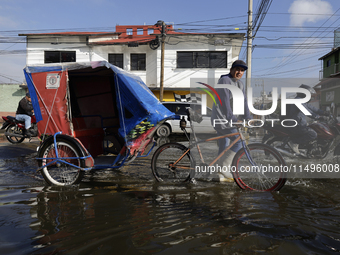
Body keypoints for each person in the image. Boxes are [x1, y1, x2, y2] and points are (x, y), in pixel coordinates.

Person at [211, 60, 252, 181]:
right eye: (237, 69)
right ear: (231, 70)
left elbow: (243, 102)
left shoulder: (240, 85)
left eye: (242, 70)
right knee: (238, 142)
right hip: (221, 119)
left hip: (228, 120)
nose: (239, 72)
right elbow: (224, 103)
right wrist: (234, 119)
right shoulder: (225, 81)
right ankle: (224, 168)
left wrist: (248, 117)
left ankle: (217, 173)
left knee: (224, 145)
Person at [286, 84, 329, 154]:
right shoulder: (298, 101)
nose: (310, 96)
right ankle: (294, 142)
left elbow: (312, 108)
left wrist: (324, 112)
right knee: (313, 134)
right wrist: (319, 117)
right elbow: (307, 112)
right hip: (296, 126)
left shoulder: (302, 101)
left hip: (299, 125)